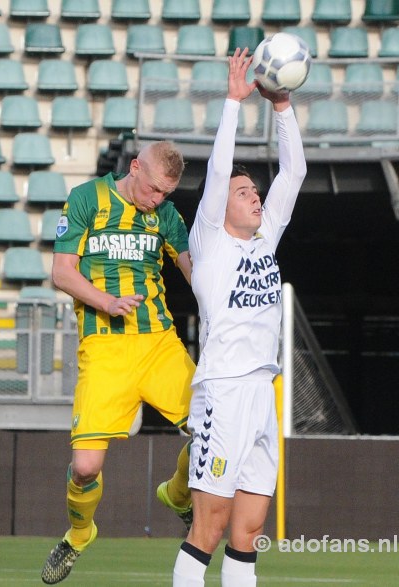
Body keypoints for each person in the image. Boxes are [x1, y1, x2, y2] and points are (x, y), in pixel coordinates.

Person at [171, 48, 307, 587]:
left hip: (261, 393)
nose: (255, 198)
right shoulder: (211, 244)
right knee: (209, 526)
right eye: (245, 193)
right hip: (223, 391)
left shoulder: (264, 239)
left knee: (247, 534)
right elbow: (220, 171)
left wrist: (282, 107)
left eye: (256, 192)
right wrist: (233, 103)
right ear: (220, 205)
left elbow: (293, 171)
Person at [41, 139, 197, 584]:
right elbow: (62, 271)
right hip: (105, 347)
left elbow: (194, 271)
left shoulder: (166, 216)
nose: (157, 201)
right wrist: (107, 302)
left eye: (166, 194)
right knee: (86, 466)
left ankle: (178, 495)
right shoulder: (87, 199)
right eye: (152, 190)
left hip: (158, 344)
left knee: (214, 429)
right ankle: (79, 533)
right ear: (134, 169)